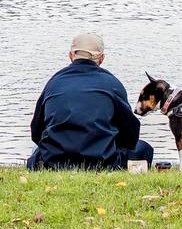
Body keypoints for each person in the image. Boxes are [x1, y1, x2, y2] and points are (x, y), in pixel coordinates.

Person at [27, 32, 153, 171]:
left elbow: (36, 131)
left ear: (70, 56)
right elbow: (130, 133)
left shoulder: (54, 82)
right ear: (102, 59)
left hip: (55, 161)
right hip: (103, 162)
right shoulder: (112, 84)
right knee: (143, 148)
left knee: (36, 148)